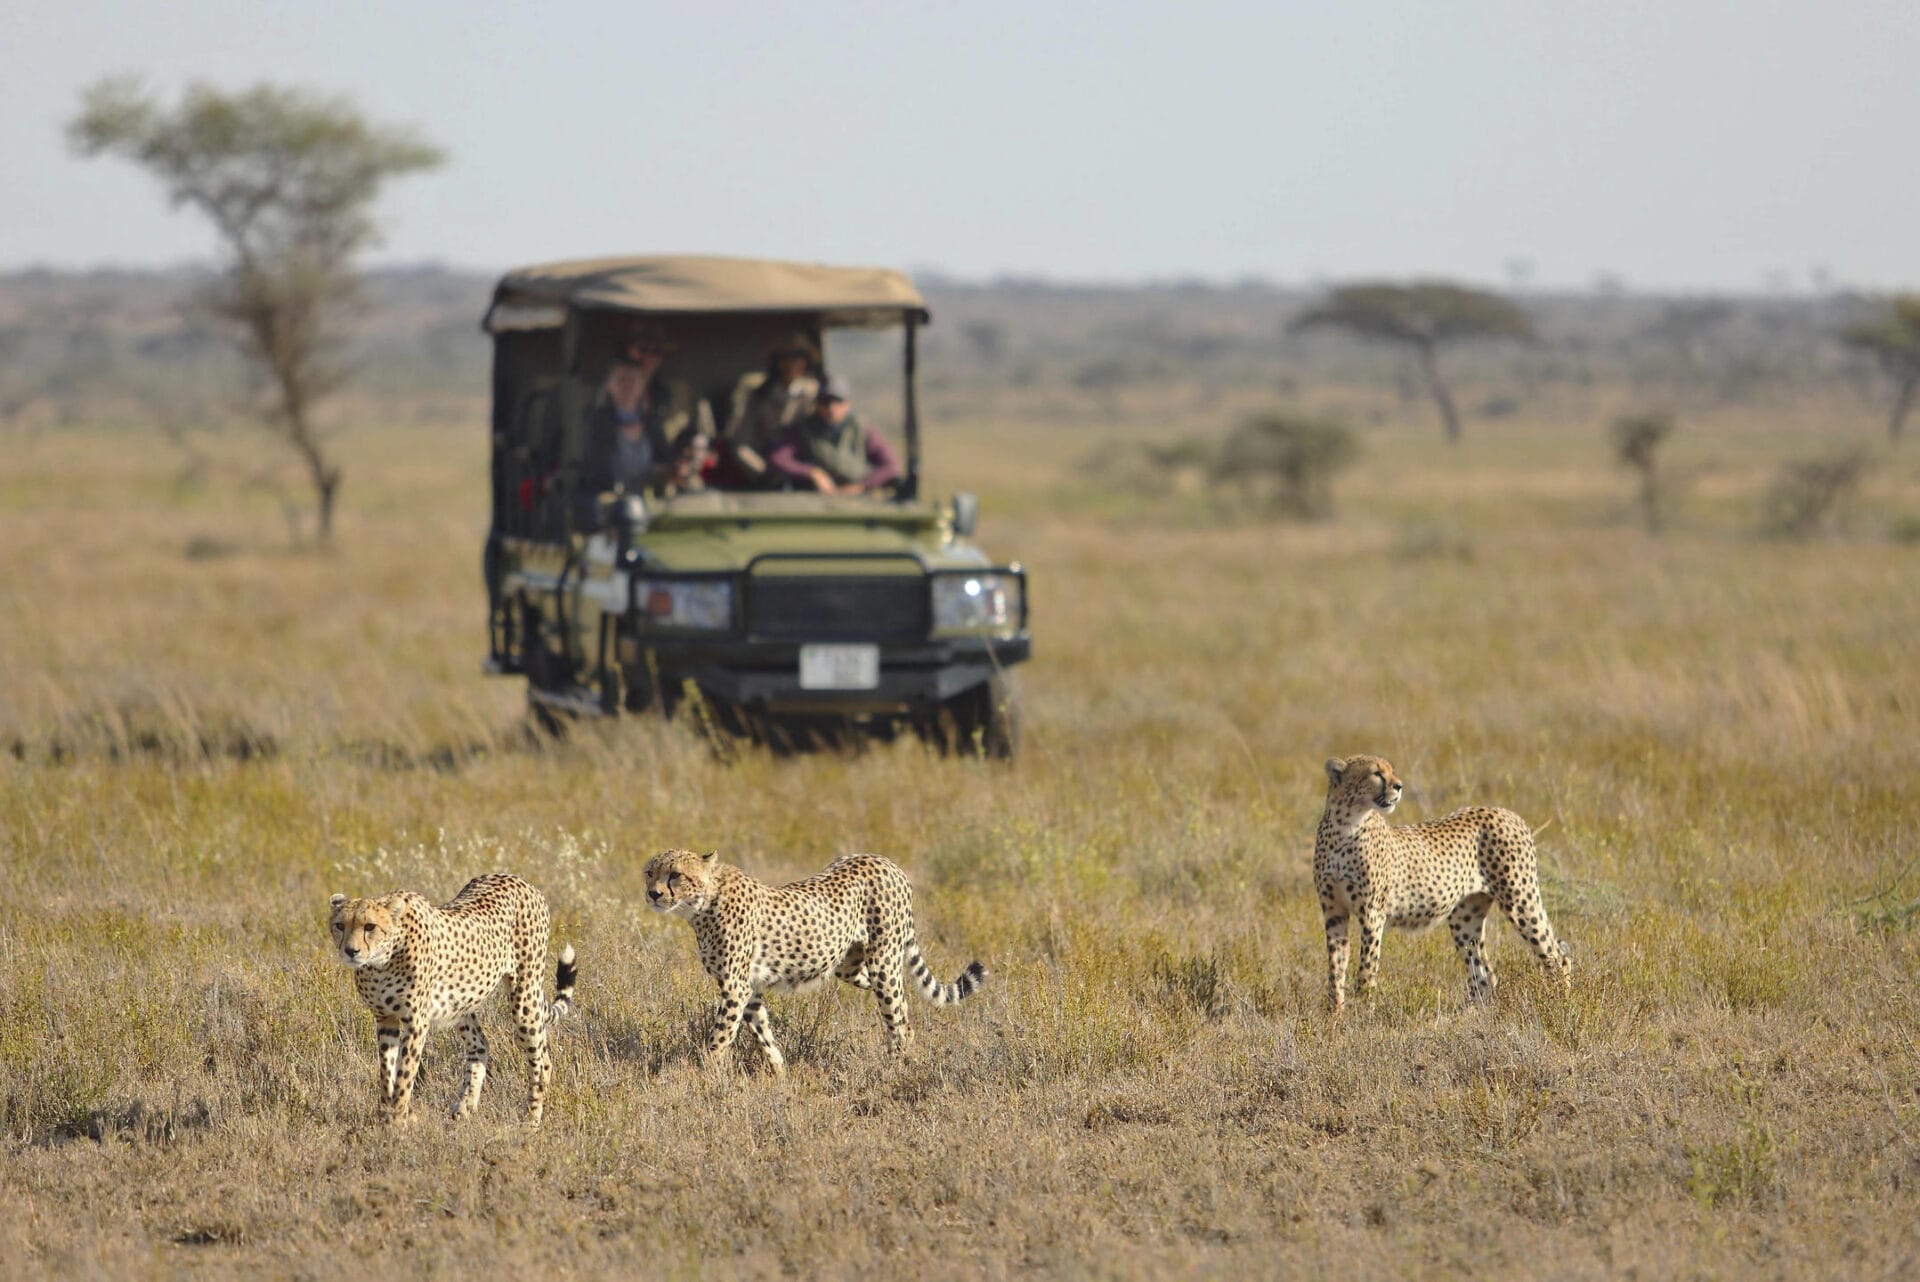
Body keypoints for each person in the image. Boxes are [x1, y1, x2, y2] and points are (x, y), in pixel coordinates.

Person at [579, 324, 715, 512]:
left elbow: (677, 452)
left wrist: (676, 467)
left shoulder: (668, 400)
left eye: (656, 352)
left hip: (657, 497)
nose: (649, 357)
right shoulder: (598, 415)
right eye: (643, 350)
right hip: (610, 501)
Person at [767, 375, 902, 496]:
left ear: (847, 403)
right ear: (817, 403)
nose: (831, 408)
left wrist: (862, 486)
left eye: (837, 401)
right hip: (815, 499)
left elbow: (891, 466)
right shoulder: (803, 430)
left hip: (859, 499)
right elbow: (778, 459)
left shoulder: (862, 429)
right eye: (825, 402)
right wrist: (812, 473)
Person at [722, 332, 821, 482]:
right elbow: (740, 443)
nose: (792, 363)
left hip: (803, 469)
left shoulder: (814, 393)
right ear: (777, 361)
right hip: (763, 468)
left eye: (798, 356)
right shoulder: (757, 393)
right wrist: (764, 472)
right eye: (785, 357)